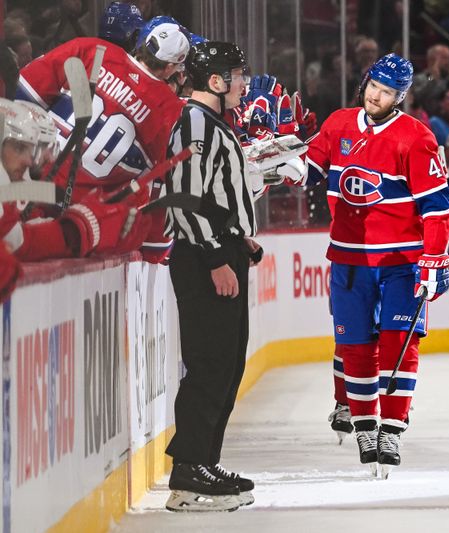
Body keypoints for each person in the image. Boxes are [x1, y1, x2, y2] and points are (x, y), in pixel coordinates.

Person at [302, 53, 449, 478]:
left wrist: (433, 259)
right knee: (354, 347)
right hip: (349, 259)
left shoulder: (415, 138)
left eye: (386, 90)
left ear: (399, 96)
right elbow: (307, 171)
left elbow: (439, 207)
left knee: (397, 346)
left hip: (401, 262)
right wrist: (272, 157)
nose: (375, 94)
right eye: (373, 84)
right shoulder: (338, 124)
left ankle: (392, 428)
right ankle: (365, 425)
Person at [163, 41, 261, 513]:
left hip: (222, 251)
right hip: (205, 258)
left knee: (228, 363)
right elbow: (184, 199)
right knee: (209, 363)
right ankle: (187, 473)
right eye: (237, 74)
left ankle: (203, 461)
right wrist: (214, 257)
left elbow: (215, 195)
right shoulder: (194, 123)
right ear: (216, 81)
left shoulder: (213, 123)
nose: (243, 82)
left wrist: (240, 239)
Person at [17, 22, 189, 263]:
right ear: (171, 67)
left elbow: (21, 99)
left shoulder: (91, 50)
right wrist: (156, 247)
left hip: (21, 191)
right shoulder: (171, 114)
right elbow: (161, 197)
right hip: (75, 225)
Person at [0, 97, 146, 262]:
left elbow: (24, 232)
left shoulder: (17, 184)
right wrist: (78, 230)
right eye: (20, 148)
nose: (31, 161)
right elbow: (18, 246)